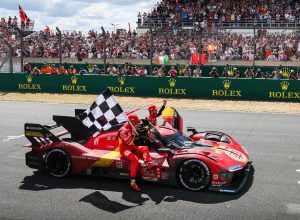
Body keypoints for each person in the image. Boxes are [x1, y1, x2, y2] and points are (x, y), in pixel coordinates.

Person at [118, 114, 156, 192]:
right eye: (135, 122)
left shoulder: (132, 126)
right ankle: (132, 183)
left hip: (131, 147)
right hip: (124, 150)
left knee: (145, 148)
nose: (137, 123)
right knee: (135, 160)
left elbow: (139, 132)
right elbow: (127, 142)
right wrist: (132, 134)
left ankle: (148, 163)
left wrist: (147, 128)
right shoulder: (122, 131)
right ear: (131, 121)